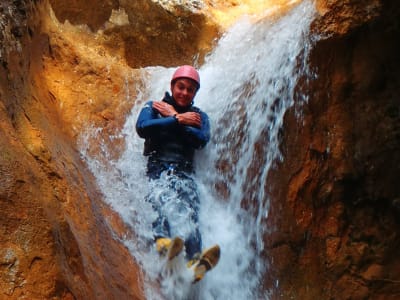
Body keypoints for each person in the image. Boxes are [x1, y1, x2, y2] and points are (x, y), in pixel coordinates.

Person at [136, 65, 220, 282]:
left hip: (184, 173)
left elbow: (201, 141)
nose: (184, 92)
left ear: (195, 93)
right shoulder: (154, 107)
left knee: (191, 209)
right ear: (172, 86)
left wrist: (176, 118)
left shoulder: (199, 117)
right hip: (158, 168)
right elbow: (142, 127)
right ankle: (163, 243)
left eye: (190, 89)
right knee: (158, 199)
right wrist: (177, 119)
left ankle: (194, 260)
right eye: (181, 87)